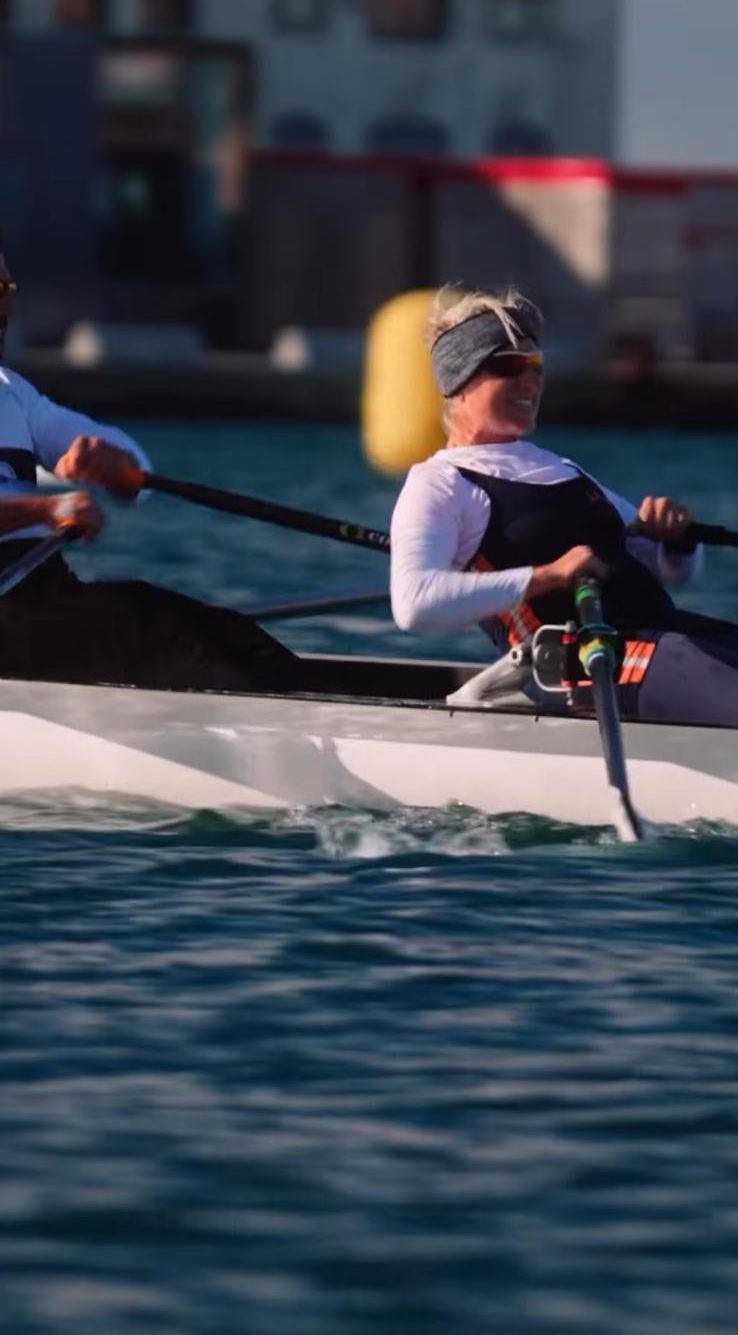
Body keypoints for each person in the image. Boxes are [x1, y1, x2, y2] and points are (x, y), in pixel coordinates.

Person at [390, 285, 738, 725]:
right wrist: (550, 576)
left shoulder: (561, 468)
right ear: (457, 383)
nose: (530, 382)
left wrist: (676, 542)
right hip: (580, 661)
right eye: (510, 366)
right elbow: (416, 604)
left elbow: (667, 571)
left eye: (535, 366)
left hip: (663, 638)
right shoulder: (441, 483)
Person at [0, 240, 295, 692]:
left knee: (229, 634)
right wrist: (46, 510)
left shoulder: (12, 393)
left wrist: (116, 466)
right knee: (166, 638)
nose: (5, 304)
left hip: (40, 596)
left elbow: (130, 463)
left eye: (7, 288)